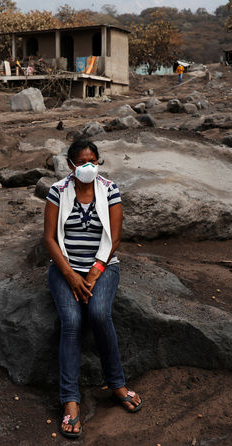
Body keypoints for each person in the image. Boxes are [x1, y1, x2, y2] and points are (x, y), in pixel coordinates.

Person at [43, 139, 143, 440]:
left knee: (99, 313)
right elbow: (49, 239)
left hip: (104, 267)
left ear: (98, 161)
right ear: (71, 164)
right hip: (65, 270)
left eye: (92, 161)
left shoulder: (109, 189)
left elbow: (115, 237)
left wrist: (94, 273)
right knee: (71, 322)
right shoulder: (57, 191)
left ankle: (117, 384)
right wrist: (72, 276)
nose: (87, 166)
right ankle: (70, 402)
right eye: (81, 162)